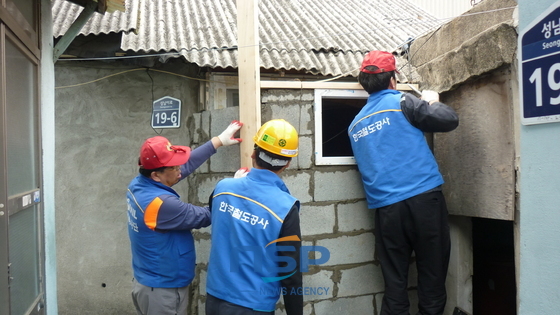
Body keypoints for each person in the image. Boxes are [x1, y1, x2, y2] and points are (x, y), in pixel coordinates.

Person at [348, 51, 459, 315]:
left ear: (364, 83)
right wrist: (432, 102)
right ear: (393, 80)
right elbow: (449, 120)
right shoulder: (402, 102)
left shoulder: (354, 125)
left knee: (395, 282)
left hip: (387, 212)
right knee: (432, 276)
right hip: (424, 203)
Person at [126, 121, 243, 315]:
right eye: (174, 166)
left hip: (153, 283)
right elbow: (206, 215)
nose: (180, 169)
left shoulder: (140, 183)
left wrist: (218, 141)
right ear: (156, 175)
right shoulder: (160, 204)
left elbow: (181, 168)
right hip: (163, 291)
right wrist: (234, 189)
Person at [205, 119, 303, 315]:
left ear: (253, 154)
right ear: (287, 163)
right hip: (253, 307)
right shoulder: (285, 207)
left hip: (214, 300)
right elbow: (290, 273)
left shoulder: (223, 188)